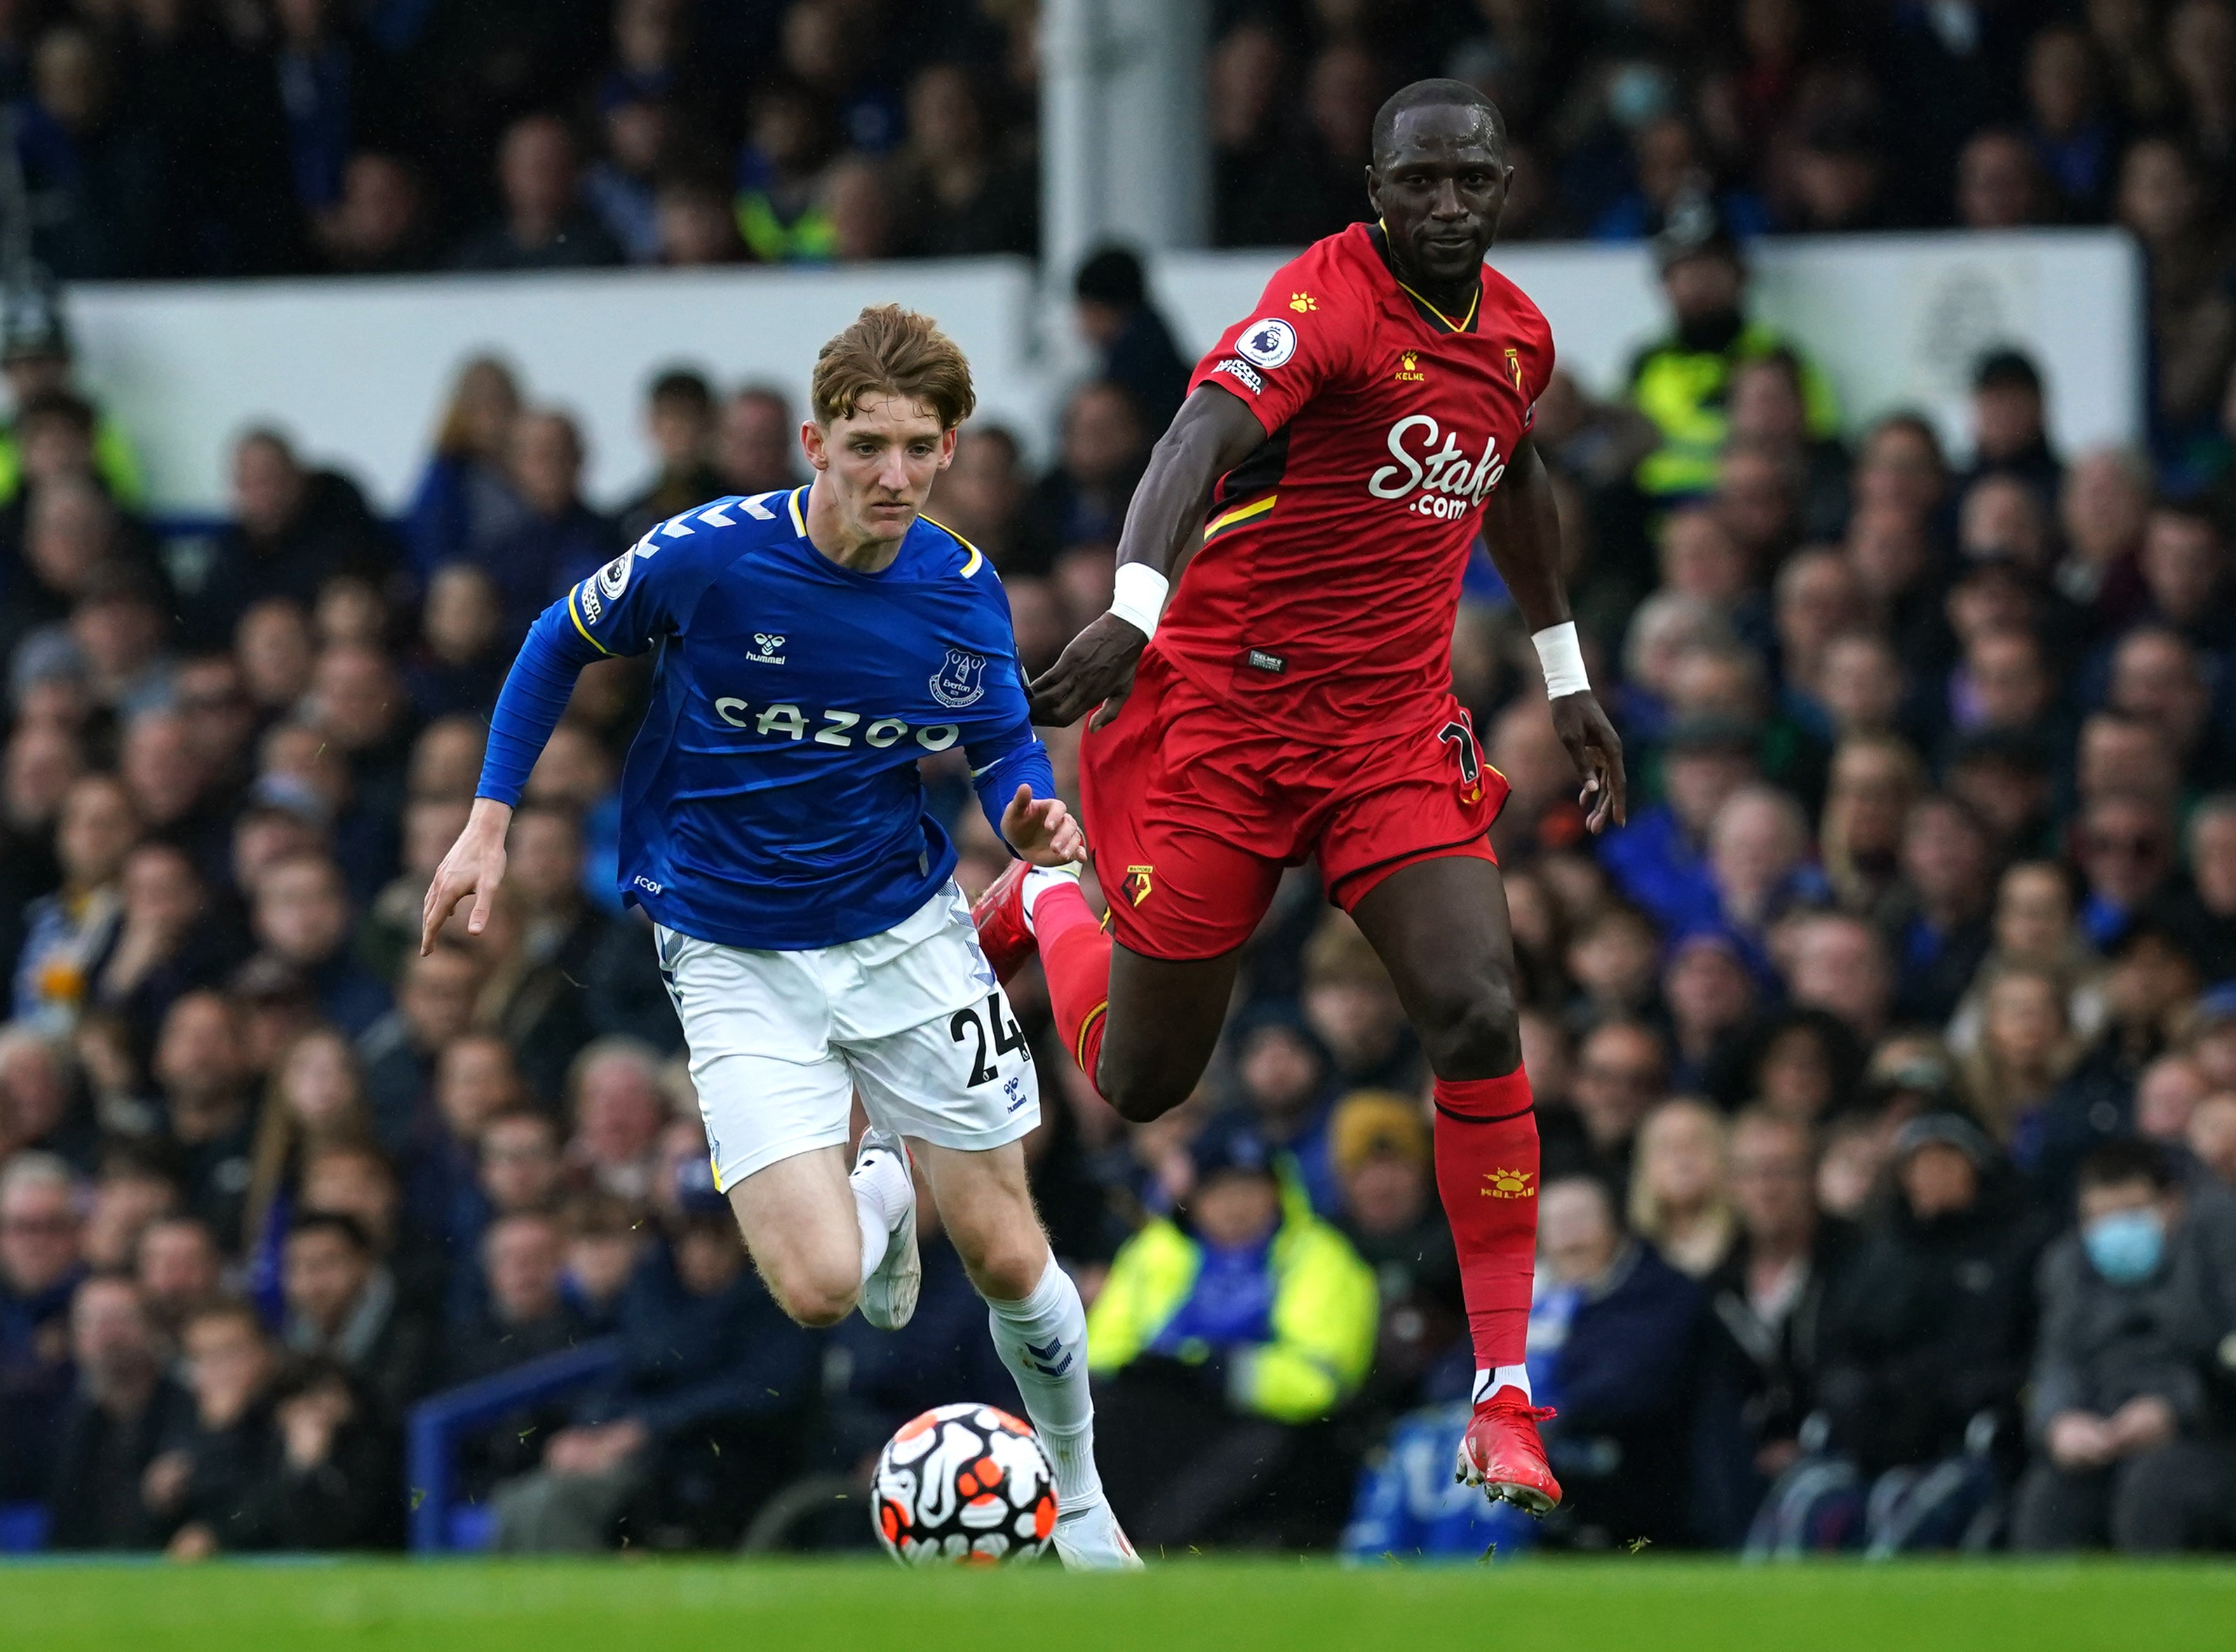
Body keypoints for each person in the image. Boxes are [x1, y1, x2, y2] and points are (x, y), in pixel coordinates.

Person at [976, 79, 1625, 1521]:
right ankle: (1045, 898)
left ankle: (1504, 1391)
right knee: (1143, 1080)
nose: (1447, 207)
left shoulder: (1515, 335)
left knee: (1475, 1004)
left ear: (1504, 181)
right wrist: (1134, 611)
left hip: (1388, 728)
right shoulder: (1324, 302)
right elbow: (1190, 444)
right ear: (1377, 187)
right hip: (1223, 712)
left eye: (1473, 181)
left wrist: (1563, 667)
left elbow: (1512, 480)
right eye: (1422, 183)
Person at [417, 305, 1136, 1569]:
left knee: (1011, 1253)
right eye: (867, 444)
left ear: (950, 447)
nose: (894, 475)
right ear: (814, 441)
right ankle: (878, 1191)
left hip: (901, 934)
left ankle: (1077, 1503)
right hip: (731, 950)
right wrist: (487, 827)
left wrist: (1024, 812)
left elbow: (1000, 744)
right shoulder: (708, 557)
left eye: (921, 446)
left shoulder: (957, 593)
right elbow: (552, 642)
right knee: (817, 1290)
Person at [2012, 1141, 2235, 1552]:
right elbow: (2057, 1358)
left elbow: (2224, 1356)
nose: (2114, 1229)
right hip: (2102, 1433)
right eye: (2099, 1217)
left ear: (2171, 1204)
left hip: (2209, 1436)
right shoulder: (2066, 1268)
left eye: (2131, 1212)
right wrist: (2060, 1422)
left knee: (2155, 1489)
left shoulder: (2215, 1257)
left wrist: (2176, 1411)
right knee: (2048, 1499)